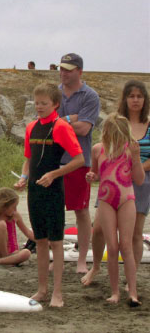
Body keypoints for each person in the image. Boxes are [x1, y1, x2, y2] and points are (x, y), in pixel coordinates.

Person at [14, 82, 84, 307]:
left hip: (53, 191)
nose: (40, 106)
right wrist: (23, 178)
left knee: (56, 241)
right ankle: (42, 289)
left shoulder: (61, 126)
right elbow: (28, 159)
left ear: (55, 104)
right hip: (34, 191)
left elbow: (79, 159)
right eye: (37, 103)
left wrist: (54, 174)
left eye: (44, 103)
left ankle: (58, 293)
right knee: (40, 240)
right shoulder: (31, 127)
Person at [82, 81, 150, 288]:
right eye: (132, 96)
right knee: (99, 228)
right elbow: (104, 148)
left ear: (145, 99)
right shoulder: (118, 121)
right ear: (125, 99)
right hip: (112, 182)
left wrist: (136, 169)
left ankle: (131, 277)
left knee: (135, 233)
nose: (136, 100)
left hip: (141, 180)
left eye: (139, 96)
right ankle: (95, 266)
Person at [84, 114, 144, 306]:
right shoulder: (98, 150)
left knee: (126, 246)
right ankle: (115, 292)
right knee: (112, 247)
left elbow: (140, 179)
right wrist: (91, 176)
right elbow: (94, 172)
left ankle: (133, 292)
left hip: (126, 199)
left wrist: (135, 158)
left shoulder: (130, 150)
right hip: (106, 200)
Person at [57, 53, 100, 273]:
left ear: (79, 71)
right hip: (54, 159)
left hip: (79, 160)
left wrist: (61, 121)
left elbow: (84, 129)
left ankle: (82, 259)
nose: (63, 73)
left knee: (81, 210)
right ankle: (55, 256)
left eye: (68, 69)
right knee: (53, 209)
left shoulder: (90, 96)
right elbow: (45, 123)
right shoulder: (54, 92)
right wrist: (72, 118)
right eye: (61, 68)